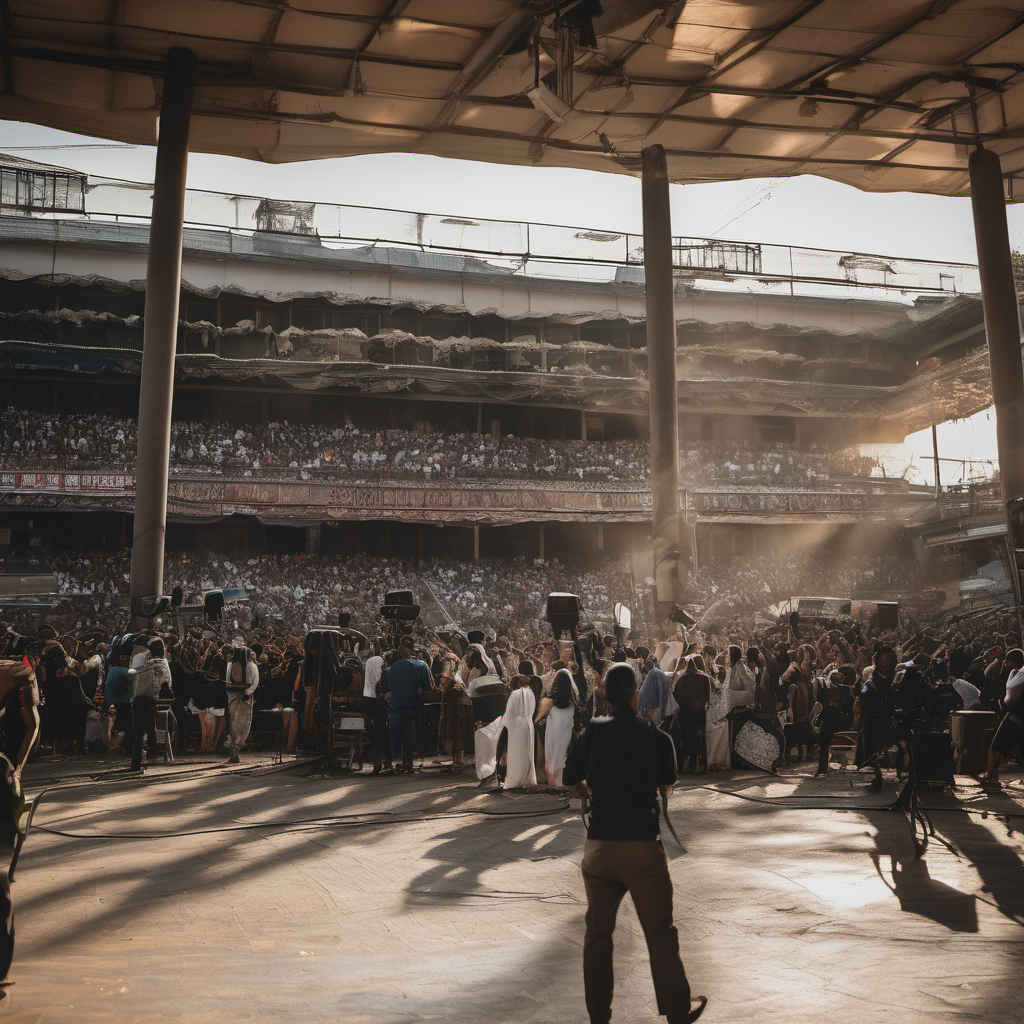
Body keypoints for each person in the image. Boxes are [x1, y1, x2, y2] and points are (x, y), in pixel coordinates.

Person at [563, 663, 707, 1024]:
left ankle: (599, 1016)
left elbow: (570, 779)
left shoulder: (593, 731)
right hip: (642, 848)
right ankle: (676, 1011)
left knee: (597, 936)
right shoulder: (657, 737)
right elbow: (666, 787)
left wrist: (586, 788)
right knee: (660, 933)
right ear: (635, 695)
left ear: (605, 695)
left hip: (600, 848)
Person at [381, 635, 432, 774]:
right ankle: (408, 763)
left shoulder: (390, 669)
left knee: (395, 735)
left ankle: (395, 763)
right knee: (411, 734)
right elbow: (427, 687)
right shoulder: (421, 665)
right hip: (413, 705)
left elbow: (387, 690)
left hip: (396, 706)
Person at [981, 648, 1024, 787]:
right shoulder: (1016, 674)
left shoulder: (1018, 675)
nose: (1006, 664)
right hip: (1018, 719)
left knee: (996, 748)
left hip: (1014, 718)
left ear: (1012, 661)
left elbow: (1010, 700)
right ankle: (992, 775)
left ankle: (989, 776)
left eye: (1007, 661)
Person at [130, 637, 172, 772]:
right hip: (159, 702)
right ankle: (152, 751)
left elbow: (136, 683)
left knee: (138, 731)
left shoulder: (146, 666)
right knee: (149, 726)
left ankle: (135, 760)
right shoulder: (165, 663)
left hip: (143, 700)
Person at [535, 666, 577, 788]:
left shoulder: (550, 705)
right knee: (564, 753)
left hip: (554, 733)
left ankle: (554, 779)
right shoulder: (573, 707)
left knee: (553, 753)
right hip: (567, 733)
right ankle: (564, 779)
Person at [224, 644, 259, 765]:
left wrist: (247, 692)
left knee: (240, 723)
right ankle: (234, 749)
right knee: (235, 723)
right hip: (236, 697)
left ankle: (236, 749)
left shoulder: (250, 666)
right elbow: (228, 681)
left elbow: (254, 683)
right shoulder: (232, 665)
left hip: (241, 697)